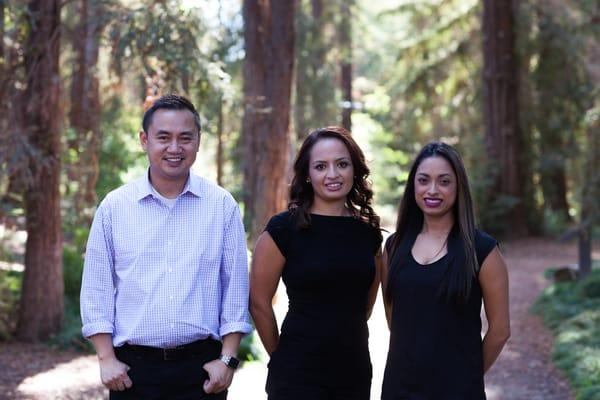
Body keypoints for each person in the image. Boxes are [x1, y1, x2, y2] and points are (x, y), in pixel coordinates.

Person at [80, 94, 252, 399]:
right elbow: (97, 287)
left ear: (198, 141)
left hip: (202, 372)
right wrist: (106, 358)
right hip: (133, 372)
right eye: (164, 137)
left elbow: (235, 287)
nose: (175, 148)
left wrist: (227, 359)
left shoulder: (221, 206)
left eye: (185, 138)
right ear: (145, 140)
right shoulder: (115, 207)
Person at [250, 126, 383, 400]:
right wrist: (281, 356)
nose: (332, 174)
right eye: (321, 166)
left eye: (342, 164)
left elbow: (364, 307)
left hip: (353, 371)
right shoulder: (283, 229)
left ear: (354, 170)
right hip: (296, 373)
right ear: (308, 175)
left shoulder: (368, 232)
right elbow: (258, 301)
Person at [380, 142, 510, 399]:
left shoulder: (482, 250)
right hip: (399, 389)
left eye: (444, 181)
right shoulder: (394, 247)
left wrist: (467, 376)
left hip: (458, 391)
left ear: (458, 187)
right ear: (413, 186)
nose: (432, 190)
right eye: (424, 180)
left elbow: (500, 330)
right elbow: (394, 317)